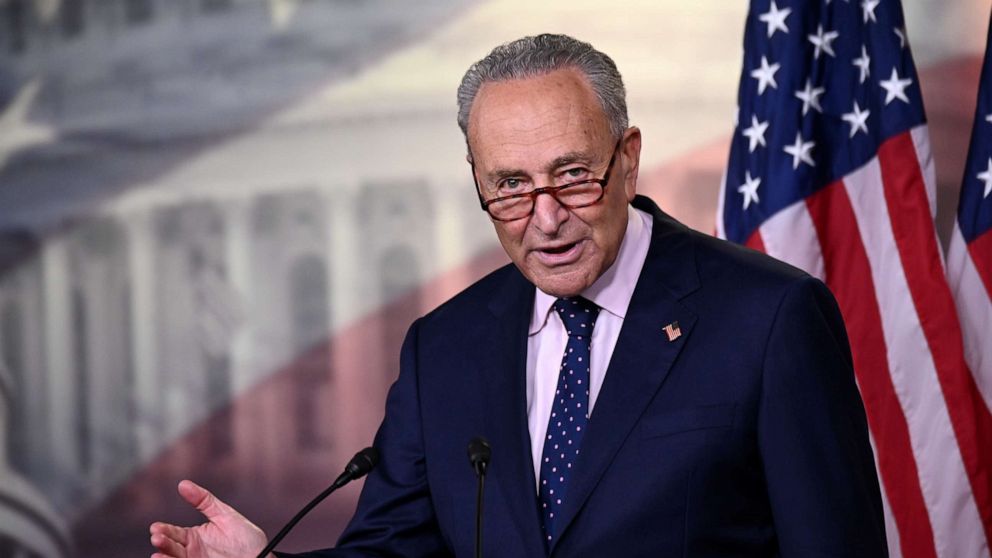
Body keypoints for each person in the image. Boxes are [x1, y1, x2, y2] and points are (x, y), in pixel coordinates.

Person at [150, 34, 887, 557]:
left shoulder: (769, 318)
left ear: (628, 161)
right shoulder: (444, 348)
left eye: (572, 175)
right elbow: (392, 552)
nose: (546, 217)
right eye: (509, 186)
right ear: (478, 182)